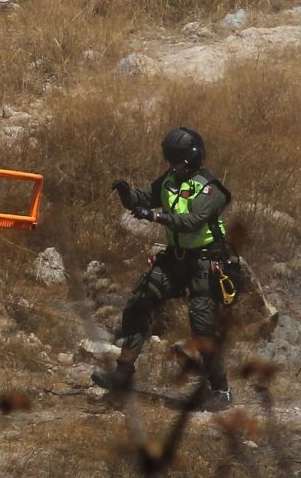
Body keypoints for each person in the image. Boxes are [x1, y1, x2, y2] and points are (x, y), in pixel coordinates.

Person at [91, 127, 234, 411]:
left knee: (202, 326)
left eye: (177, 162)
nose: (173, 167)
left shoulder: (210, 188)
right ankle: (123, 373)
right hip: (174, 259)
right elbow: (142, 198)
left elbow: (192, 221)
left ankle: (221, 390)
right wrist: (126, 195)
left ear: (191, 159)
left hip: (204, 262)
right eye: (170, 161)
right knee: (139, 302)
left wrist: (155, 216)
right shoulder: (170, 180)